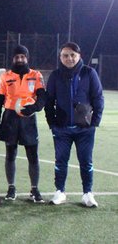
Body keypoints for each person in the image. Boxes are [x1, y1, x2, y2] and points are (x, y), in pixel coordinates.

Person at [45, 42, 104, 207]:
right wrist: (52, 123)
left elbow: (98, 97)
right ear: (60, 57)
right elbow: (49, 101)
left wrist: (95, 122)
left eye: (73, 55)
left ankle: (87, 193)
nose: (69, 58)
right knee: (60, 161)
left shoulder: (89, 73)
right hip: (62, 129)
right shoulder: (56, 75)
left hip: (85, 129)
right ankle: (60, 191)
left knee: (86, 161)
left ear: (79, 56)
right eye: (65, 55)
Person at [0, 45, 46, 203]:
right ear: (13, 59)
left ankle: (34, 189)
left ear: (27, 58)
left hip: (28, 120)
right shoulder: (5, 77)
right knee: (10, 155)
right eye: (17, 57)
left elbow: (42, 97)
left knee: (33, 156)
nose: (20, 59)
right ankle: (11, 188)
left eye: (23, 57)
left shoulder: (36, 75)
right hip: (10, 119)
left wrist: (34, 108)